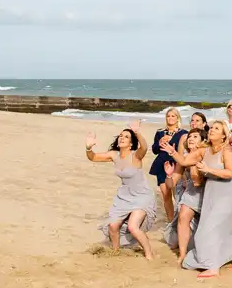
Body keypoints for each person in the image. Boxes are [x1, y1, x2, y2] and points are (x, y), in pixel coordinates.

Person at [165, 120, 232, 277]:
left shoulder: (227, 151)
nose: (211, 131)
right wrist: (172, 152)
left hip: (229, 192)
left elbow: (230, 173)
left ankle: (213, 267)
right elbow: (184, 161)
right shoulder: (204, 151)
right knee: (226, 227)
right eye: (211, 128)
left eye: (216, 129)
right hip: (213, 192)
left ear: (223, 136)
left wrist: (208, 169)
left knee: (208, 229)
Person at [88, 120, 156, 259]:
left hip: (141, 196)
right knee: (113, 226)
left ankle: (149, 254)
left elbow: (144, 147)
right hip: (124, 197)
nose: (122, 138)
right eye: (120, 135)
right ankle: (116, 251)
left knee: (132, 227)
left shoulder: (136, 155)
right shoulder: (114, 155)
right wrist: (88, 148)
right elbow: (93, 157)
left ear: (131, 143)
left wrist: (137, 132)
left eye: (126, 136)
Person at [160, 129, 205, 266]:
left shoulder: (206, 155)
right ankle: (182, 254)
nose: (190, 138)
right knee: (183, 216)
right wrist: (168, 175)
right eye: (189, 136)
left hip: (209, 194)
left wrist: (173, 152)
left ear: (203, 141)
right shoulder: (182, 160)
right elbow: (171, 183)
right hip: (191, 194)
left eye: (195, 137)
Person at [149, 108, 187, 225]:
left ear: (177, 118)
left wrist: (172, 140)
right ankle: (170, 221)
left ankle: (179, 220)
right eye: (168, 116)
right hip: (161, 164)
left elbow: (183, 150)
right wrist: (159, 142)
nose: (170, 118)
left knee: (177, 195)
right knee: (165, 195)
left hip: (175, 165)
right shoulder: (160, 132)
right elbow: (155, 150)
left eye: (173, 116)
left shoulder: (183, 133)